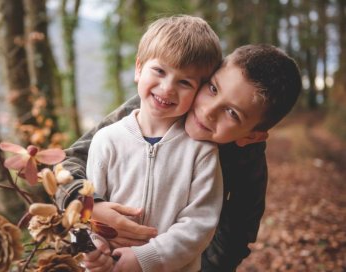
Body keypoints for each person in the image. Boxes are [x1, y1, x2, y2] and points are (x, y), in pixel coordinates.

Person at [58, 41, 302, 272]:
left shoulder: (247, 157)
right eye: (213, 88)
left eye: (232, 113)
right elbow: (68, 162)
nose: (208, 111)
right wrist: (91, 207)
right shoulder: (158, 105)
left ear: (252, 136)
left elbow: (237, 233)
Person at [81, 15, 224, 272]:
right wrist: (94, 249)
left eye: (184, 82)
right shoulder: (106, 141)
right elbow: (86, 210)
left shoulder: (201, 150)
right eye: (159, 71)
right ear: (138, 68)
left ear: (199, 91)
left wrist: (146, 258)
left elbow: (200, 223)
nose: (167, 88)